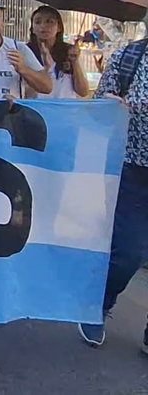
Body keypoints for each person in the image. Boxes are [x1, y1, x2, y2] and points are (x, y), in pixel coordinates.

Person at [83, 37, 148, 353]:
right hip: (132, 169)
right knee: (128, 255)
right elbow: (97, 109)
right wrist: (111, 103)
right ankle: (99, 304)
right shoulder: (128, 57)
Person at [27, 6, 89, 99]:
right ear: (33, 29)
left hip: (65, 110)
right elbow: (26, 95)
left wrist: (75, 63)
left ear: (59, 27)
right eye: (38, 22)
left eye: (49, 21)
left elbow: (83, 92)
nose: (43, 26)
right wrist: (45, 69)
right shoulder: (25, 52)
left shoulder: (69, 52)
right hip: (37, 110)